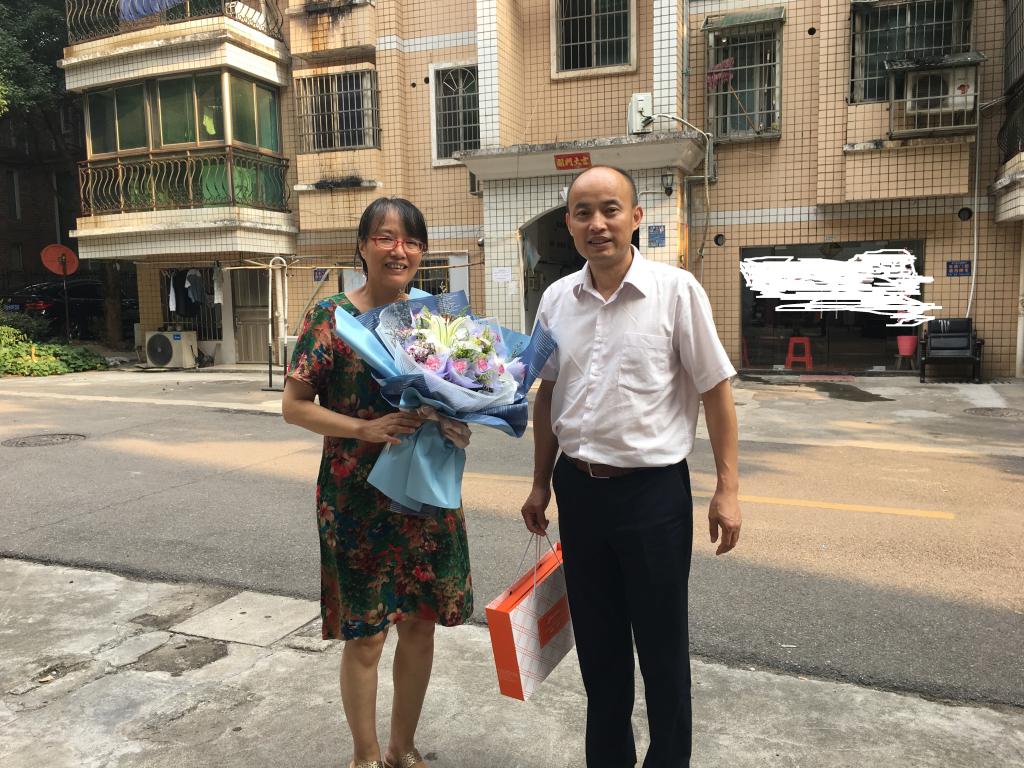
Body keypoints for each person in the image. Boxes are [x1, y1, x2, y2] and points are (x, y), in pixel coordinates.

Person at [520, 166, 741, 767]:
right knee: (600, 650)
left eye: (610, 210)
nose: (597, 224)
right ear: (569, 224)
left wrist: (727, 488)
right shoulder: (556, 300)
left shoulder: (677, 291)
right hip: (579, 491)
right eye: (583, 213)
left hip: (653, 498)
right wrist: (540, 483)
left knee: (663, 650)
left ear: (636, 217)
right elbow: (547, 393)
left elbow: (716, 389)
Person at [283, 197, 473, 768]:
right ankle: (364, 757)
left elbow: (453, 393)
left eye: (411, 240)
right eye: (386, 237)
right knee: (366, 634)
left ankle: (401, 749)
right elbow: (295, 406)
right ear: (363, 246)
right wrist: (363, 428)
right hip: (357, 497)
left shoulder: (433, 320)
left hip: (424, 493)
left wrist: (459, 422)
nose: (399, 250)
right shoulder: (332, 318)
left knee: (420, 625)